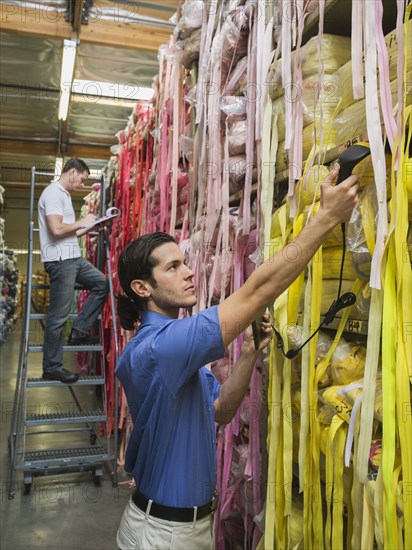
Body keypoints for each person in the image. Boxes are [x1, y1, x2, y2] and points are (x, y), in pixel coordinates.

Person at [115, 164, 359, 549]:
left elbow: (221, 411)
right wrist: (326, 217)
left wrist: (248, 354)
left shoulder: (169, 352)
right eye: (173, 267)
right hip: (162, 533)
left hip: (184, 527)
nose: (190, 273)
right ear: (142, 287)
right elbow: (256, 291)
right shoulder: (161, 348)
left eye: (186, 262)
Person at [38, 158, 109, 384]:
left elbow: (68, 233)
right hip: (60, 261)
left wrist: (92, 226)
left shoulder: (65, 196)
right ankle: (52, 366)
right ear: (71, 172)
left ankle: (79, 329)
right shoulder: (53, 193)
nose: (82, 184)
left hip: (72, 258)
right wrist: (81, 222)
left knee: (101, 283)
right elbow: (56, 229)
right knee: (58, 316)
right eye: (82, 179)